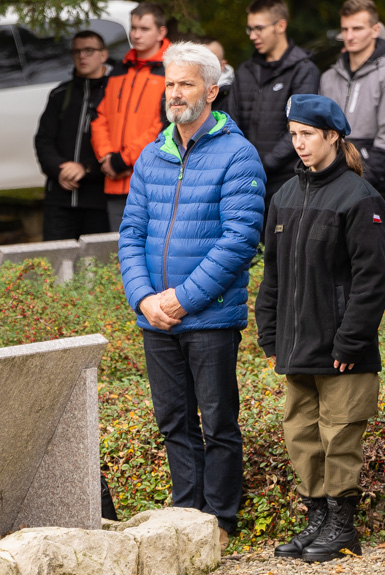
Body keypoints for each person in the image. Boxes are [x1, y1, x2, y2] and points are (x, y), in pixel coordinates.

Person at [118, 42, 265, 552]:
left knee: (218, 421)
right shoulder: (153, 153)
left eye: (185, 84)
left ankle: (221, 521)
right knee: (173, 420)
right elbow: (131, 232)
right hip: (155, 318)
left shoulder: (237, 153)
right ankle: (186, 514)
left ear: (211, 90)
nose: (175, 93)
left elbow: (240, 239)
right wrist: (144, 300)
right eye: (170, 83)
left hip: (209, 317)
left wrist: (182, 299)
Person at [255, 94, 385, 562]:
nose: (300, 144)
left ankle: (342, 526)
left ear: (333, 135)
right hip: (297, 346)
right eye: (293, 135)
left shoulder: (360, 198)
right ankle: (317, 518)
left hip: (342, 350)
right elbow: (272, 275)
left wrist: (351, 340)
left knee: (340, 436)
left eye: (308, 134)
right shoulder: (284, 197)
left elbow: (372, 281)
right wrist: (268, 334)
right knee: (303, 435)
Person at [320, 0, 385, 262]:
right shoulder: (328, 77)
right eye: (345, 29)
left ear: (375, 30)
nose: (349, 36)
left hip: (377, 179)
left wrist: (355, 180)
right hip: (332, 174)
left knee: (372, 259)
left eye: (357, 28)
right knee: (335, 258)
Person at [224, 0, 320, 229]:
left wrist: (262, 165)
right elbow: (232, 123)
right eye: (250, 28)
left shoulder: (304, 70)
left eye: (259, 28)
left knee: (281, 253)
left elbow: (299, 129)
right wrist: (243, 166)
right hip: (246, 180)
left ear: (280, 25)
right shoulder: (245, 71)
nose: (252, 35)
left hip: (288, 180)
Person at [91, 2, 170, 232]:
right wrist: (106, 156)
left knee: (155, 253)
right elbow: (99, 116)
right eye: (133, 27)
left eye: (144, 29)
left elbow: (166, 125)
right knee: (120, 254)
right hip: (115, 182)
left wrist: (124, 159)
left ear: (161, 32)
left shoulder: (172, 69)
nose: (136, 34)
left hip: (153, 182)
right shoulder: (118, 70)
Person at [34, 30, 111, 240]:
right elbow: (43, 140)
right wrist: (60, 169)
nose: (82, 56)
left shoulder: (114, 93)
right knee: (56, 265)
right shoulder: (60, 94)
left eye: (89, 50)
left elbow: (118, 144)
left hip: (98, 201)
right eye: (77, 51)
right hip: (59, 200)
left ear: (103, 55)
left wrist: (85, 168)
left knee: (95, 267)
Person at [200, 37, 235, 111]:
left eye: (210, 62)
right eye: (199, 61)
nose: (203, 66)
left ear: (222, 65)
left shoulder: (234, 96)